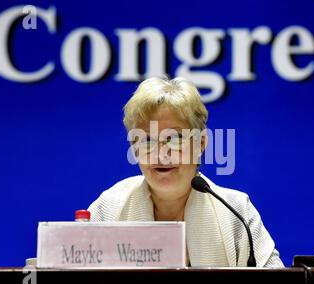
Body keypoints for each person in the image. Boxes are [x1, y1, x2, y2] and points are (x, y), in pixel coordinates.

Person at [88, 77, 284, 268]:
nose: (161, 154)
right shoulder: (109, 208)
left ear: (201, 143)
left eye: (175, 138)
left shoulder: (236, 211)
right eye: (147, 140)